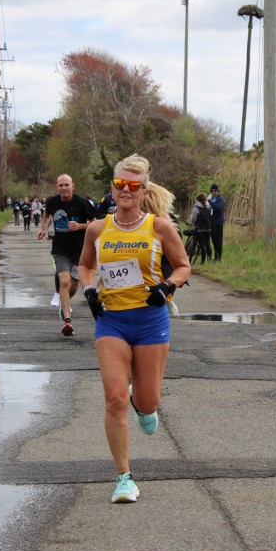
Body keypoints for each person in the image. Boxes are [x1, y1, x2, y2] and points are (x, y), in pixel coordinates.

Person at [78, 154, 191, 503]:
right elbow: (85, 266)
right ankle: (124, 478)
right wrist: (89, 290)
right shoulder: (97, 229)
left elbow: (183, 266)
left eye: (132, 185)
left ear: (143, 191)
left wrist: (167, 286)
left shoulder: (159, 227)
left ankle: (142, 404)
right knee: (114, 399)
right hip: (111, 320)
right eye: (119, 184)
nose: (125, 190)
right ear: (112, 188)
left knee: (148, 400)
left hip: (150, 320)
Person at [38, 175, 96, 336]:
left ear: (73, 186)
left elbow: (95, 222)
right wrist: (44, 229)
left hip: (80, 249)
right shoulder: (52, 202)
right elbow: (46, 215)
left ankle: (64, 304)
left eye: (67, 185)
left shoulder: (82, 203)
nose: (64, 188)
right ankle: (67, 320)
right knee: (64, 281)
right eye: (61, 185)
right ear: (57, 187)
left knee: (74, 284)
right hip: (60, 248)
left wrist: (80, 226)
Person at [189, 192, 213, 260]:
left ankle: (203, 260)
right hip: (208, 228)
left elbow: (193, 219)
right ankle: (209, 258)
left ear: (197, 200)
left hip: (200, 229)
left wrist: (191, 217)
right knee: (208, 244)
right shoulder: (209, 207)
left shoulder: (196, 208)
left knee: (202, 245)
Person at [208, 182, 226, 261]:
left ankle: (218, 257)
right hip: (212, 222)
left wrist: (210, 201)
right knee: (214, 240)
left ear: (218, 191)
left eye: (215, 190)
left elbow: (218, 208)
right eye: (212, 191)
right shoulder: (213, 199)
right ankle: (215, 257)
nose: (213, 192)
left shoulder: (220, 199)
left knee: (218, 241)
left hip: (218, 222)